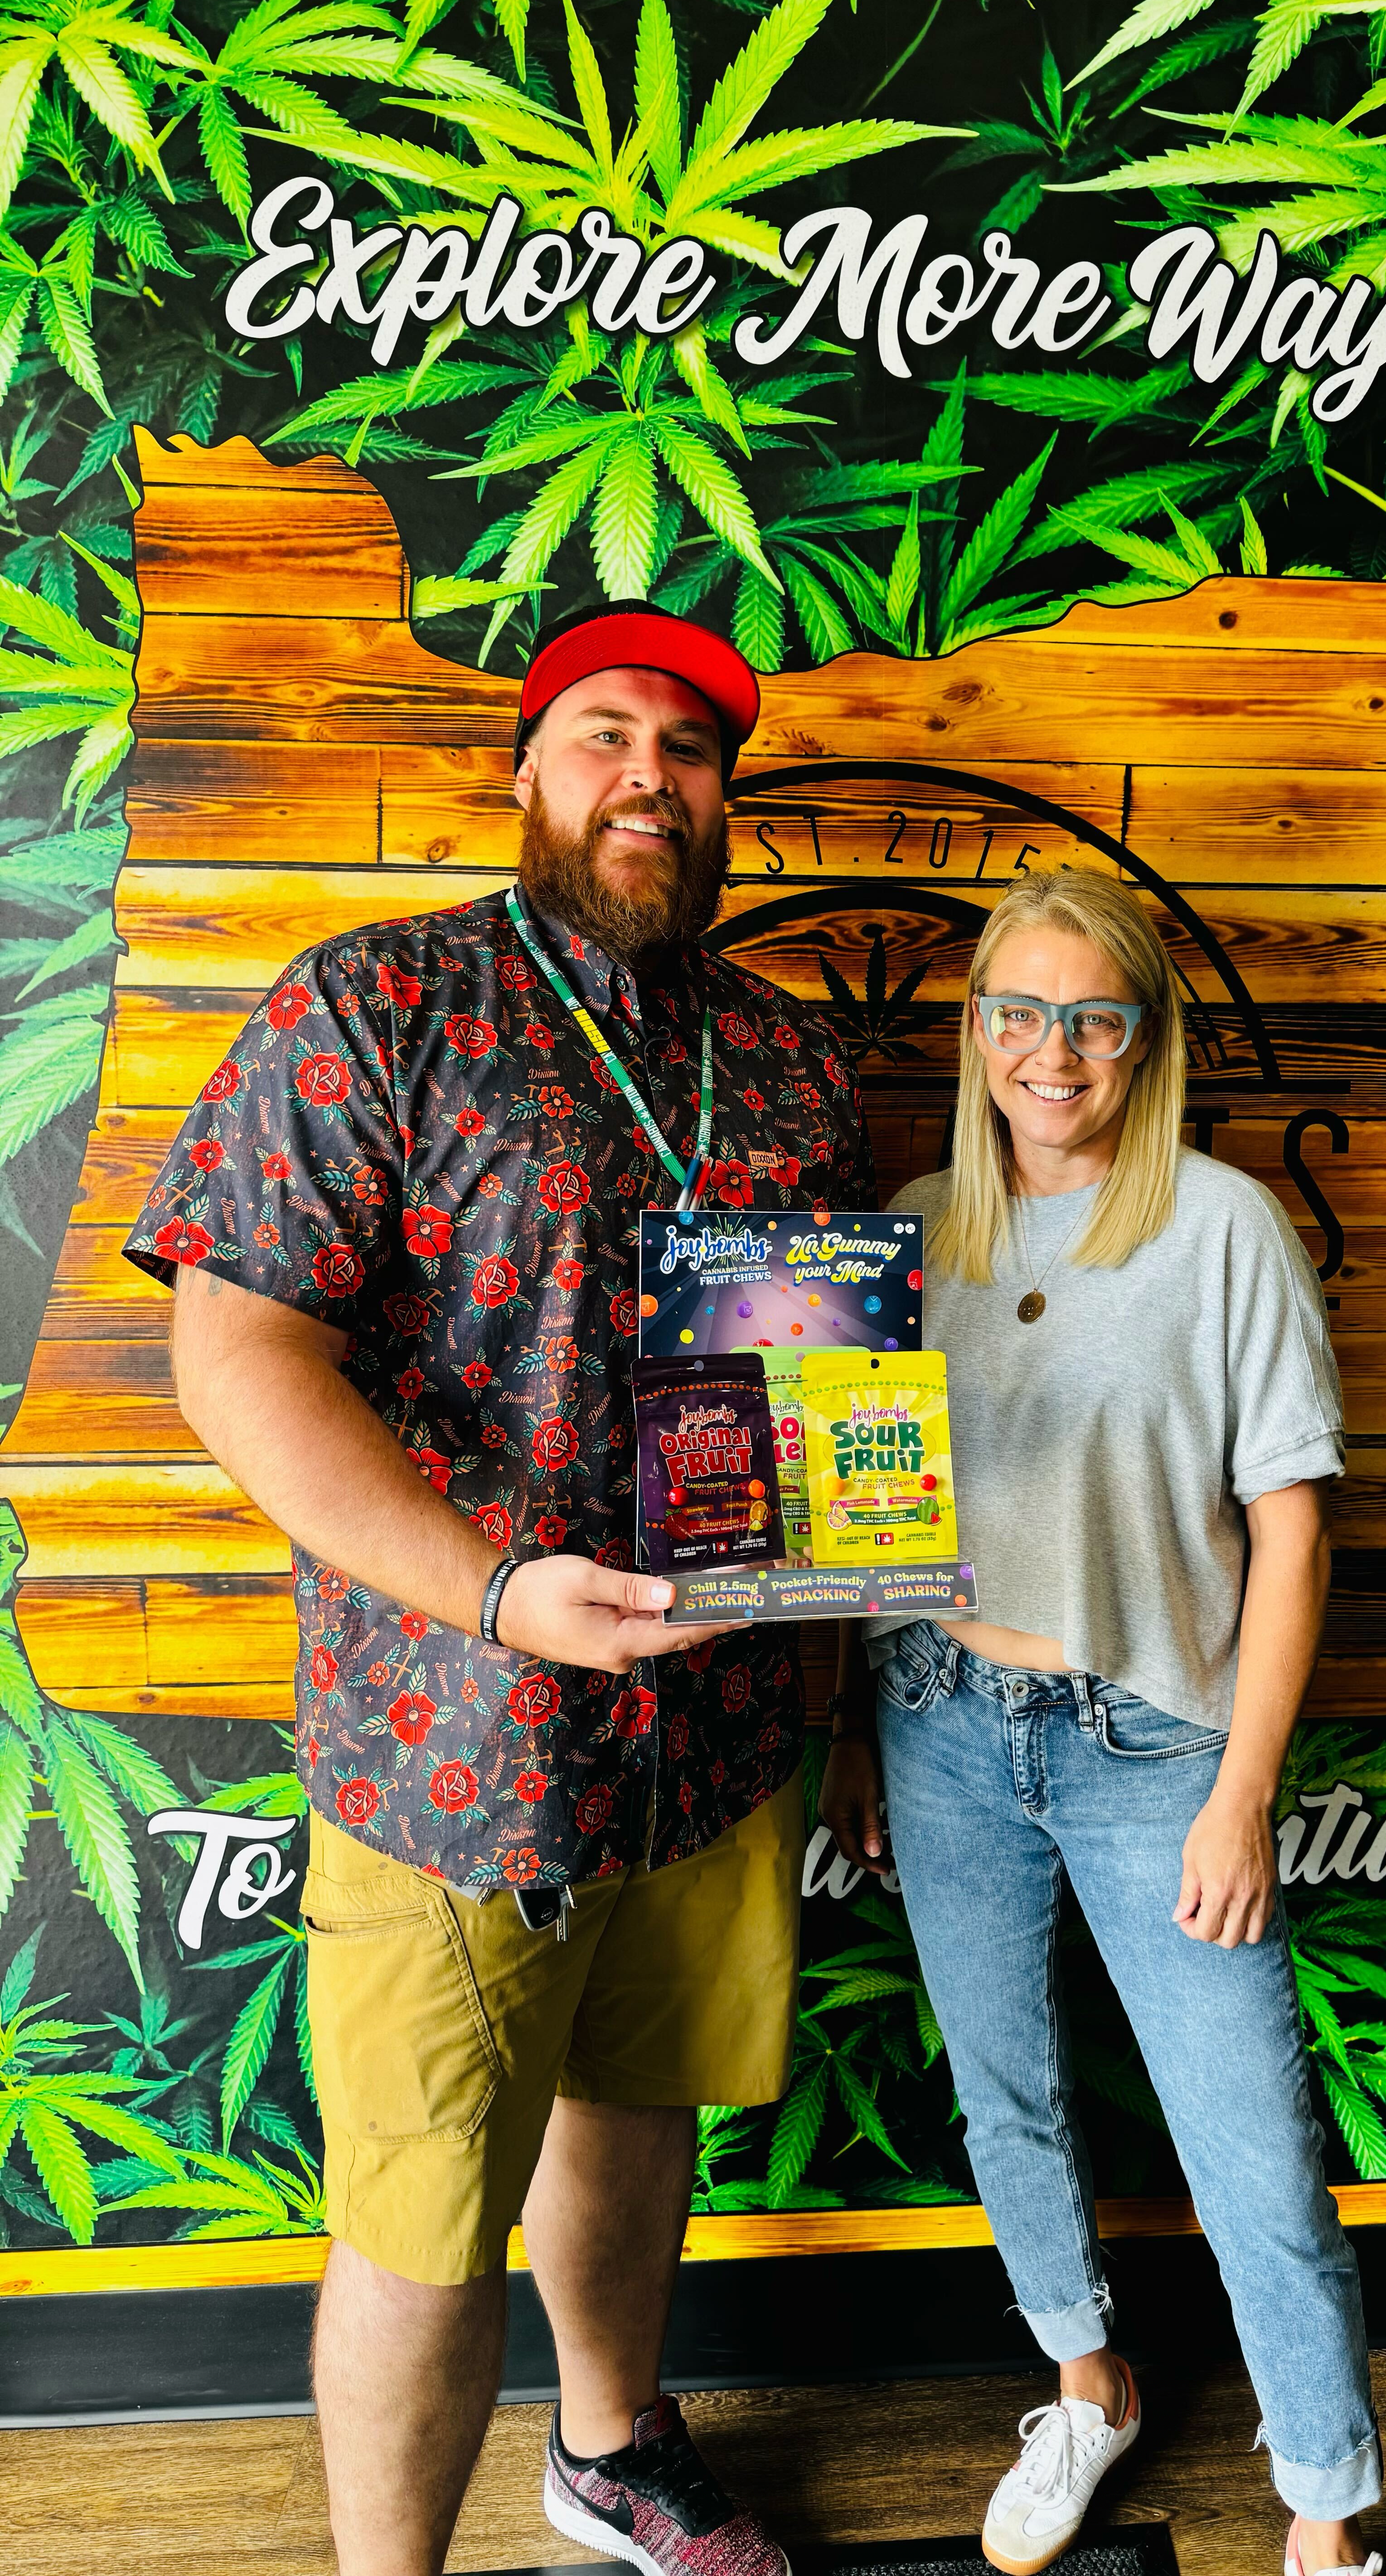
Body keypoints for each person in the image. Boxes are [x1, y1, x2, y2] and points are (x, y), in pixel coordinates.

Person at [126, 604, 875, 2576]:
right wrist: (495, 1592)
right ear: (528, 769)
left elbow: (823, 1400)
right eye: (606, 733)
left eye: (691, 749)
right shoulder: (375, 1004)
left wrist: (842, 1694)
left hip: (717, 1727)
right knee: (424, 2203)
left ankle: (611, 2450)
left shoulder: (786, 1054)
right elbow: (238, 1357)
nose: (651, 776)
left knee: (639, 2103)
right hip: (463, 1740)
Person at [821, 868, 1383, 2576]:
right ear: (975, 1028)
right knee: (1005, 2095)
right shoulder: (907, 1226)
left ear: (1145, 1042)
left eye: (1091, 1019)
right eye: (1019, 1012)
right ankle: (1088, 2384)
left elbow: (1292, 1531)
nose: (1050, 1052)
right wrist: (848, 1725)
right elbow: (858, 1513)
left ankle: (1326, 2512)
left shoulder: (1221, 1228)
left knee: (1252, 2155)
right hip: (935, 1716)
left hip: (1154, 1744)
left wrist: (1243, 1792)